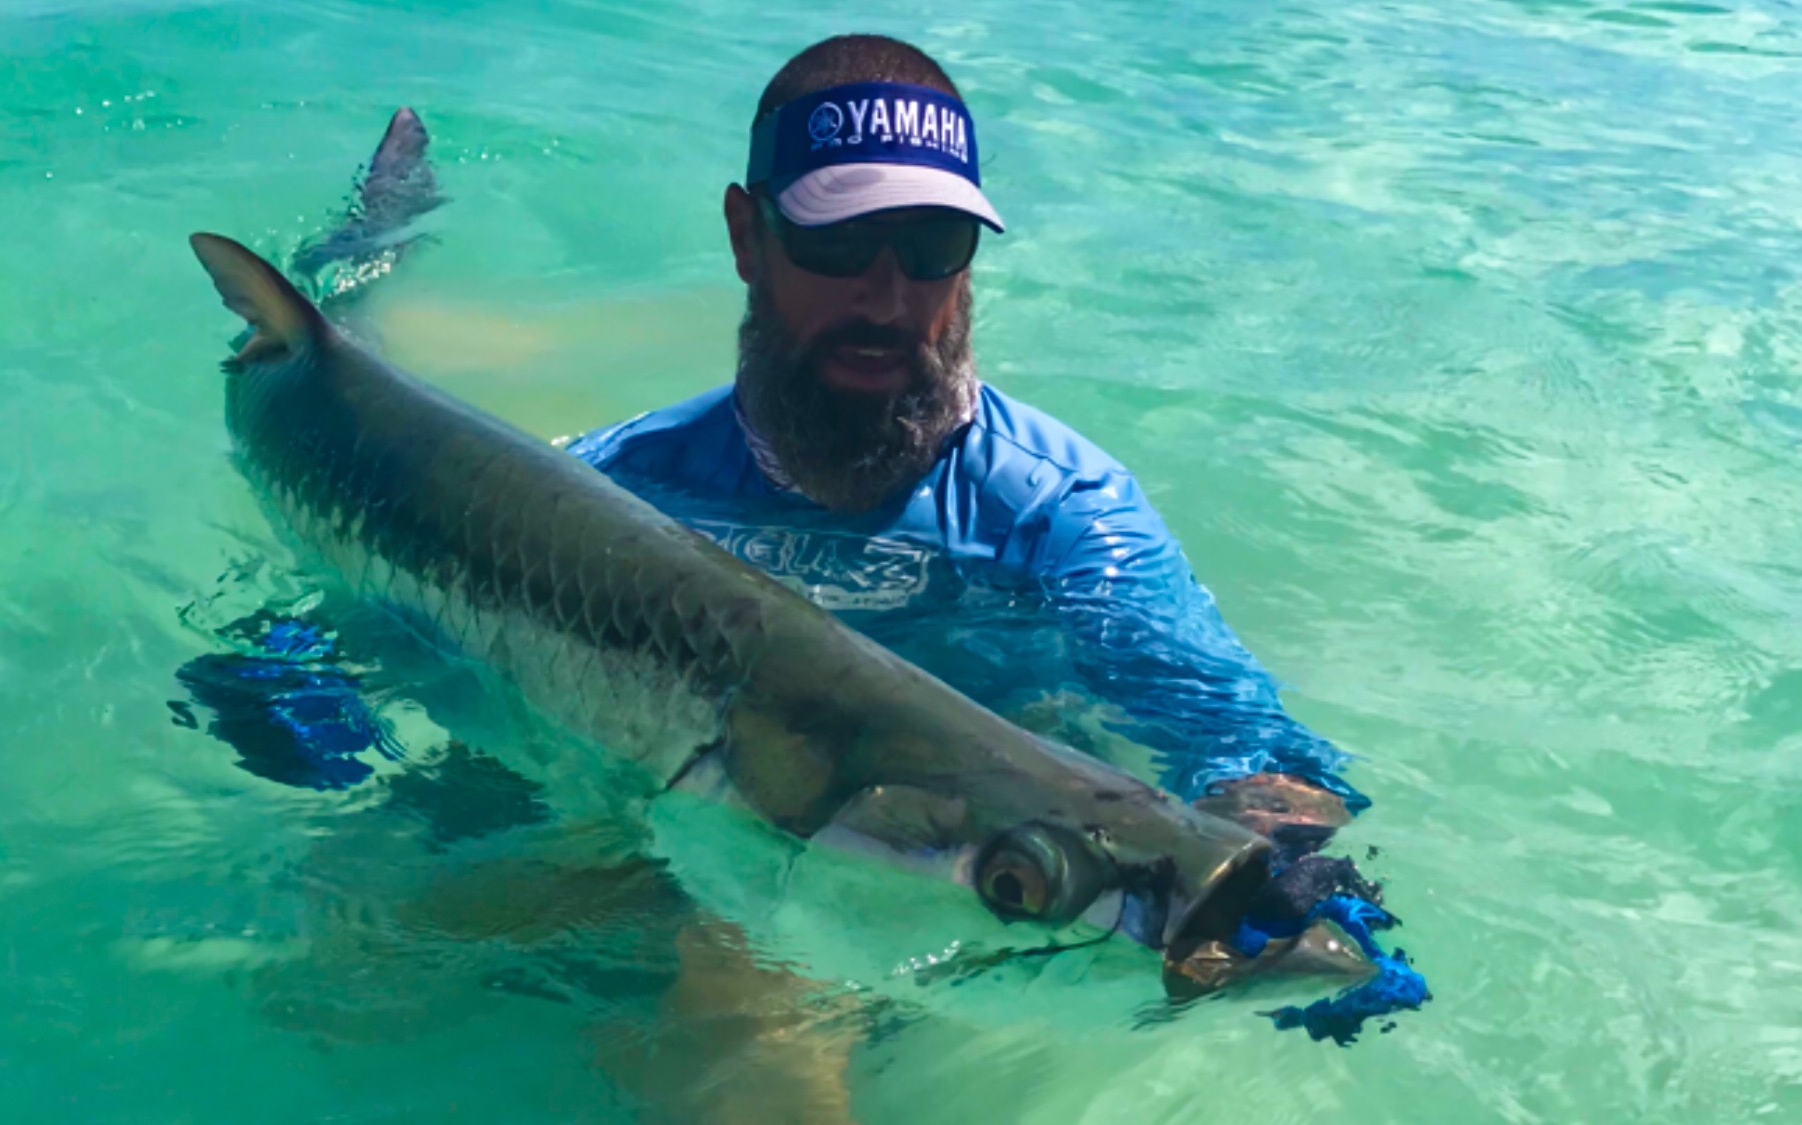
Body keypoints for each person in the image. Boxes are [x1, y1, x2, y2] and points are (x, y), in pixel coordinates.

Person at [565, 33, 1366, 850]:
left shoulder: (1059, 519)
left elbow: (1258, 759)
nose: (884, 299)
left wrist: (1281, 885)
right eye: (836, 240)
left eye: (930, 245)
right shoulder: (618, 488)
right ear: (746, 237)